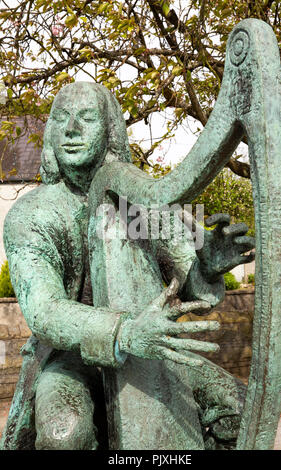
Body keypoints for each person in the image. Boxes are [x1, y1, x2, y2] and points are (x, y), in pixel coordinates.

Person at [1, 82, 254, 450]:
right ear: (51, 131)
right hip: (69, 358)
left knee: (242, 410)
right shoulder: (31, 214)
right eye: (61, 119)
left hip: (149, 351)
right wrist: (125, 332)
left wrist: (209, 269)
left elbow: (187, 282)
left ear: (110, 130)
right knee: (65, 435)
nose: (71, 129)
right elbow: (43, 311)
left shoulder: (139, 201)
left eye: (87, 118)